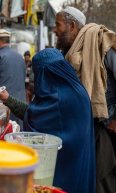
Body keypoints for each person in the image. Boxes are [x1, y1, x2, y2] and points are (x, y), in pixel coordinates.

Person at [0, 48, 96, 193]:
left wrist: (8, 100)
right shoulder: (75, 89)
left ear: (45, 73)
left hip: (64, 168)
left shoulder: (60, 98)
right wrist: (8, 99)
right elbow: (34, 114)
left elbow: (34, 118)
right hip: (77, 163)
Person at [53, 6, 116, 193]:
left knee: (104, 179)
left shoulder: (101, 44)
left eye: (58, 25)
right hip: (87, 128)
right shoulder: (70, 54)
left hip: (107, 128)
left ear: (72, 26)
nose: (55, 30)